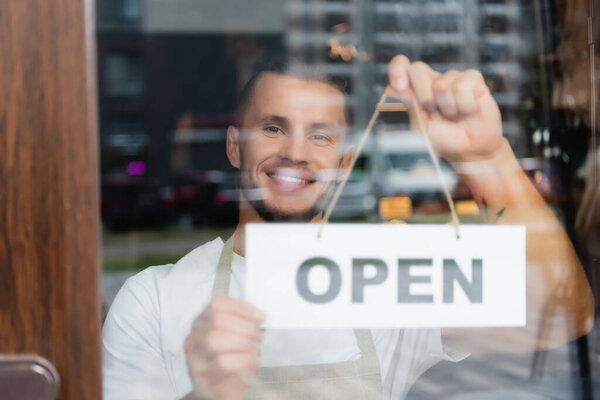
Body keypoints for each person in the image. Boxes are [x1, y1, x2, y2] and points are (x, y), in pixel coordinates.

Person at [102, 55, 594, 400]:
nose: (295, 151)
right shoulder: (153, 301)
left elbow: (564, 311)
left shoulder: (387, 276)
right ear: (235, 146)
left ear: (344, 159)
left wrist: (487, 158)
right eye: (273, 128)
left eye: (320, 135)